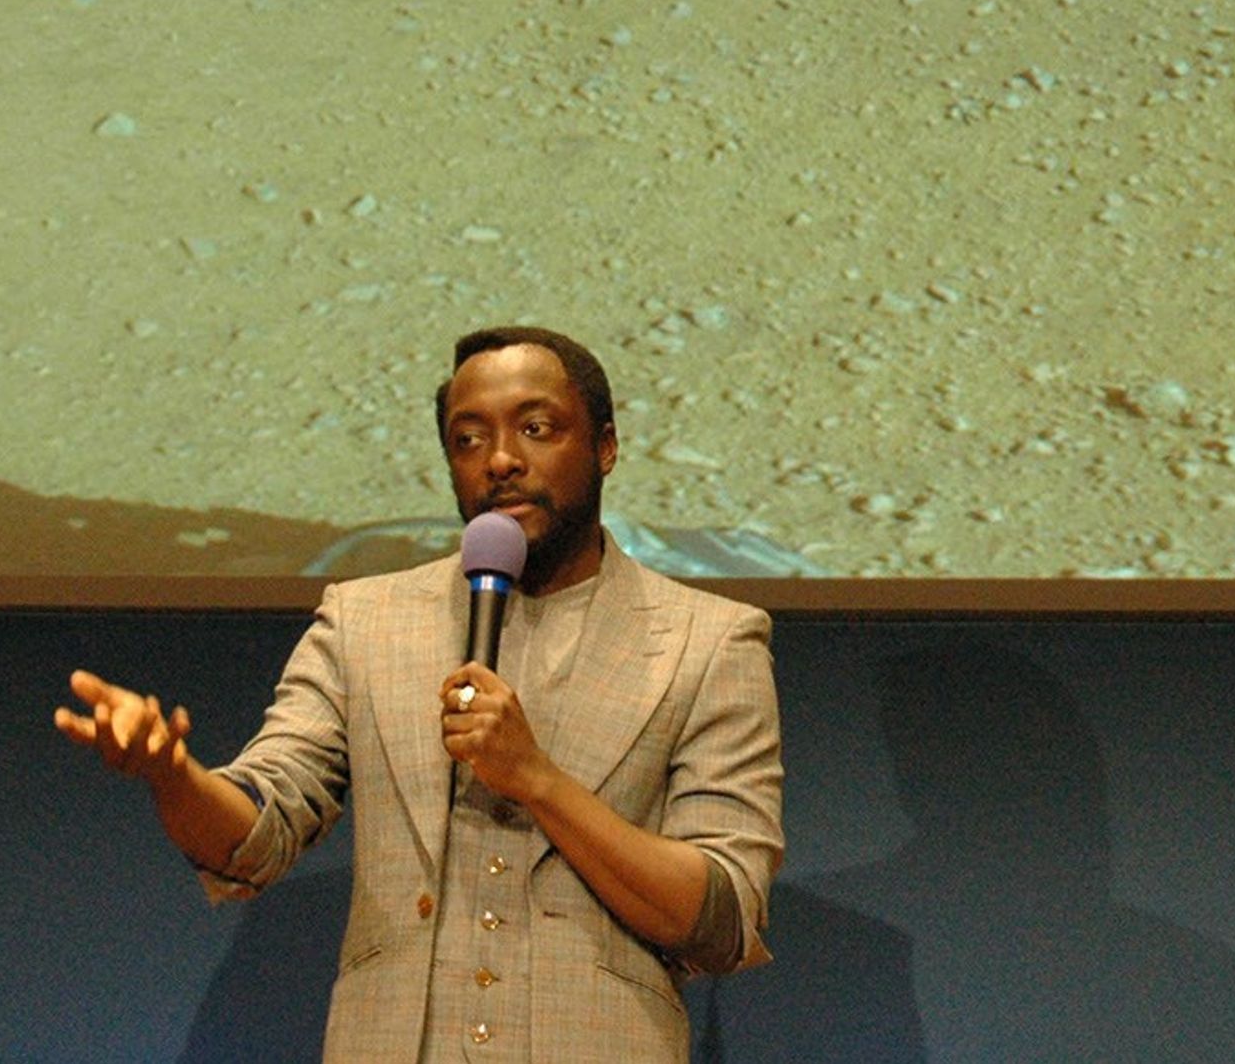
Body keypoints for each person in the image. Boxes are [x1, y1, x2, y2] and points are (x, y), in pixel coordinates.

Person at [56, 326, 784, 1061]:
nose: (500, 460)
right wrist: (171, 776)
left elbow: (720, 916)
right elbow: (256, 835)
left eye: (535, 428)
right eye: (468, 440)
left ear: (604, 447)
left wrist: (538, 781)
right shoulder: (365, 621)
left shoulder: (711, 641)